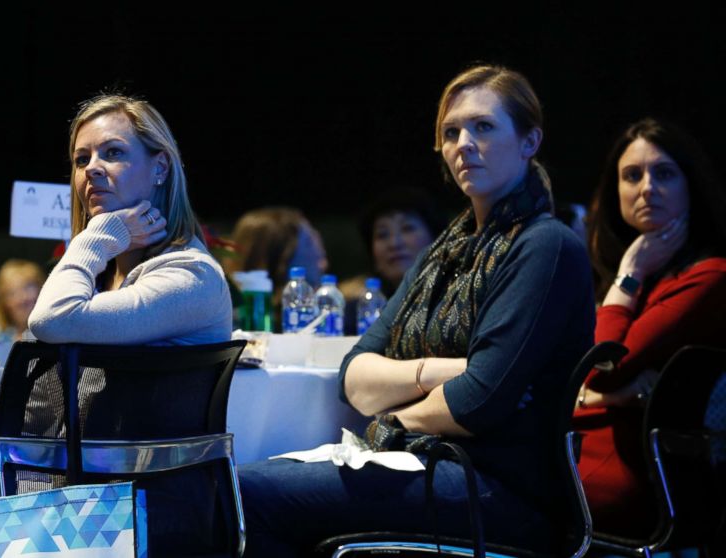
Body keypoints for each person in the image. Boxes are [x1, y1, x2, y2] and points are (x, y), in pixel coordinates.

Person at [236, 65, 595, 556]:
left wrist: (397, 417)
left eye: (483, 126)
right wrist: (439, 373)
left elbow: (475, 404)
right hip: (428, 463)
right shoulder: (444, 251)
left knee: (244, 494)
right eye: (451, 132)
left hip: (500, 489)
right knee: (237, 489)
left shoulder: (545, 246)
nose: (463, 143)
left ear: (530, 141)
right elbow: (354, 377)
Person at [0, 94, 233, 558]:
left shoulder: (189, 276)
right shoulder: (100, 277)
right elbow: (46, 392)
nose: (92, 169)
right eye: (82, 159)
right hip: (64, 466)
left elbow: (53, 319)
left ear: (160, 167)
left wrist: (97, 236)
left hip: (120, 489)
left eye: (113, 153)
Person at [574, 118, 726, 537]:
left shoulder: (710, 276)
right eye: (631, 176)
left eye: (664, 174)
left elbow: (597, 368)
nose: (646, 188)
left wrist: (631, 272)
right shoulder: (623, 285)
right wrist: (598, 396)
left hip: (629, 477)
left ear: (690, 185)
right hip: (570, 451)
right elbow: (564, 383)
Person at [339, 188, 446, 334]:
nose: (394, 243)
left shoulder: (455, 302)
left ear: (436, 238)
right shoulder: (359, 312)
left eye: (407, 228)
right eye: (382, 235)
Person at [222, 206, 328, 330]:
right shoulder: (230, 317)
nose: (320, 254)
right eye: (309, 243)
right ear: (281, 254)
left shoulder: (316, 312)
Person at [0, 259, 45, 341]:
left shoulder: (55, 338)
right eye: (13, 293)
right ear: (3, 302)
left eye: (29, 288)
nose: (23, 298)